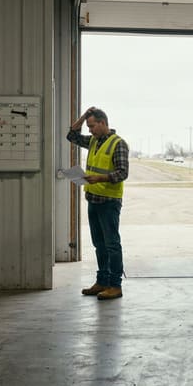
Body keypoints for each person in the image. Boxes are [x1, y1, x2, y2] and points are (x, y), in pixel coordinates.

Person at [67, 107, 129, 300]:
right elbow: (71, 135)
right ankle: (102, 281)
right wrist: (84, 116)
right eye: (88, 126)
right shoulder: (94, 140)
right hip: (93, 199)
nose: (90, 130)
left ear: (103, 123)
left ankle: (115, 285)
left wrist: (100, 178)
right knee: (99, 245)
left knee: (112, 245)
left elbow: (122, 173)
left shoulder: (118, 144)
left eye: (92, 126)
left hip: (109, 202)